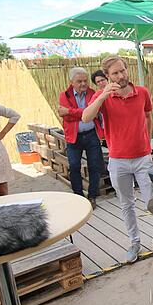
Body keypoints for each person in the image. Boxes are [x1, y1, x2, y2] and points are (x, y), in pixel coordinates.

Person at [82, 56, 153, 263]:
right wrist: (103, 96)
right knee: (126, 204)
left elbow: (148, 115)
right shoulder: (102, 96)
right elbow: (86, 117)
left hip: (142, 157)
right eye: (115, 73)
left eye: (122, 70)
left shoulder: (142, 92)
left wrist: (147, 141)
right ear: (107, 76)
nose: (121, 76)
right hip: (118, 159)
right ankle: (134, 242)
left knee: (152, 199)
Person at [58, 67, 104, 208]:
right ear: (71, 82)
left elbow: (94, 113)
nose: (84, 84)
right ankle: (79, 197)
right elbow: (66, 116)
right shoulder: (64, 95)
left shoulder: (92, 93)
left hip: (92, 135)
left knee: (95, 166)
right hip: (74, 137)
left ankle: (92, 196)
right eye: (79, 81)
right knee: (74, 166)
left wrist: (71, 111)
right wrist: (84, 113)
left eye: (85, 81)